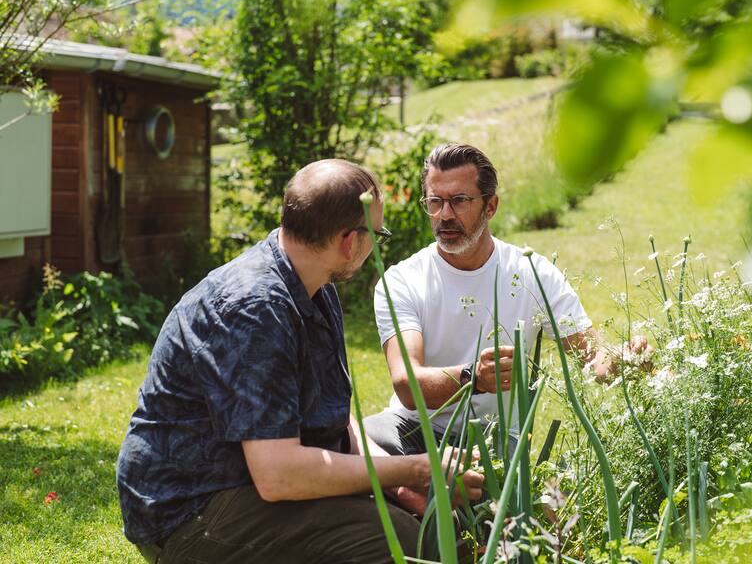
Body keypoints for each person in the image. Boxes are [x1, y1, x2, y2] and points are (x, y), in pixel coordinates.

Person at [116, 159, 483, 564]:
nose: (376, 246)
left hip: (248, 485)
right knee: (396, 540)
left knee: (425, 523)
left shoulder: (314, 284)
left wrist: (402, 486)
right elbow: (279, 476)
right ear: (349, 241)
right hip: (189, 512)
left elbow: (335, 423)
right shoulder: (253, 310)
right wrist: (415, 469)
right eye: (377, 235)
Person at [365, 144, 649, 455]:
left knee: (489, 484)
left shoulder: (531, 272)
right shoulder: (403, 279)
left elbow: (592, 359)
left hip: (492, 440)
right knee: (372, 437)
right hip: (413, 428)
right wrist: (474, 377)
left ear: (491, 207)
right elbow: (407, 384)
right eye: (435, 202)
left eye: (459, 201)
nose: (444, 215)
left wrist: (625, 359)